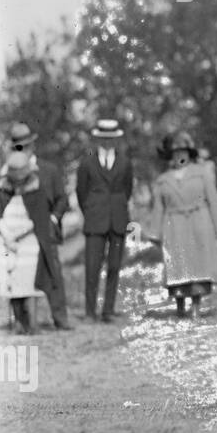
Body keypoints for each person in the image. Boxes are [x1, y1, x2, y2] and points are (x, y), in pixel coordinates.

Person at [0, 125, 73, 329]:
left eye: (25, 145)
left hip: (45, 229)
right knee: (19, 274)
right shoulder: (8, 171)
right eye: (18, 146)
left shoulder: (48, 170)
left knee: (52, 272)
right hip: (19, 232)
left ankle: (60, 319)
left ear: (32, 145)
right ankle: (23, 322)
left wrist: (53, 219)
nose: (22, 149)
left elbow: (62, 199)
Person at [145, 132, 217, 317]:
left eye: (183, 153)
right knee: (178, 265)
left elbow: (213, 199)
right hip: (174, 225)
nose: (180, 157)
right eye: (175, 153)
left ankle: (196, 306)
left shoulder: (202, 174)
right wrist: (154, 232)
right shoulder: (163, 180)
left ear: (190, 154)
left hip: (199, 221)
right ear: (169, 156)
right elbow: (158, 208)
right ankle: (180, 305)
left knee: (199, 266)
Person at [75, 117, 135, 323]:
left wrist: (116, 208)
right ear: (98, 140)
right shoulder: (87, 161)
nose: (107, 142)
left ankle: (108, 310)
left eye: (111, 139)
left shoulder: (125, 161)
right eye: (104, 139)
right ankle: (90, 312)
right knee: (92, 267)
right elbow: (81, 191)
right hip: (95, 220)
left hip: (117, 219)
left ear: (116, 140)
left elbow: (127, 190)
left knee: (114, 266)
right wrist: (92, 209)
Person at [0, 151, 48, 333]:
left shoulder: (36, 188)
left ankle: (32, 324)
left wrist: (19, 235)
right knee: (12, 282)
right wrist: (8, 237)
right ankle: (18, 323)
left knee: (28, 282)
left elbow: (38, 217)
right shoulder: (2, 189)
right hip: (5, 241)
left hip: (28, 241)